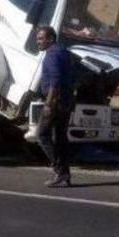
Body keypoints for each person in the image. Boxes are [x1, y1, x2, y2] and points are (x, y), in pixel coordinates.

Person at [35, 26, 75, 187]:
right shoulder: (64, 52)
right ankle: (65, 174)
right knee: (60, 138)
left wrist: (49, 104)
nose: (38, 42)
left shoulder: (51, 55)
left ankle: (60, 171)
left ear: (50, 39)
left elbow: (55, 81)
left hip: (56, 102)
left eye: (40, 39)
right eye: (37, 39)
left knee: (42, 135)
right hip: (67, 101)